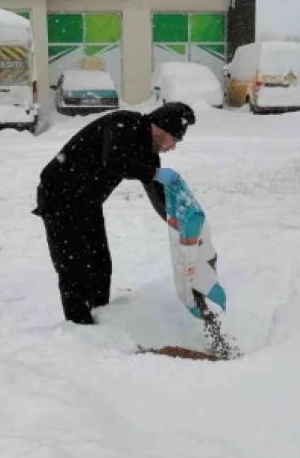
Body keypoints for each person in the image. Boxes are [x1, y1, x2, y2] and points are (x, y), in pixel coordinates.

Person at [33, 102, 196, 325]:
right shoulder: (123, 125)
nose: (173, 147)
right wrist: (155, 172)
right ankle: (80, 329)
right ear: (161, 128)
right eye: (174, 139)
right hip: (59, 196)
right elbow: (114, 161)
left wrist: (177, 222)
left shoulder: (149, 150)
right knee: (75, 269)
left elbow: (157, 193)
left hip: (87, 202)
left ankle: (103, 319)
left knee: (100, 264)